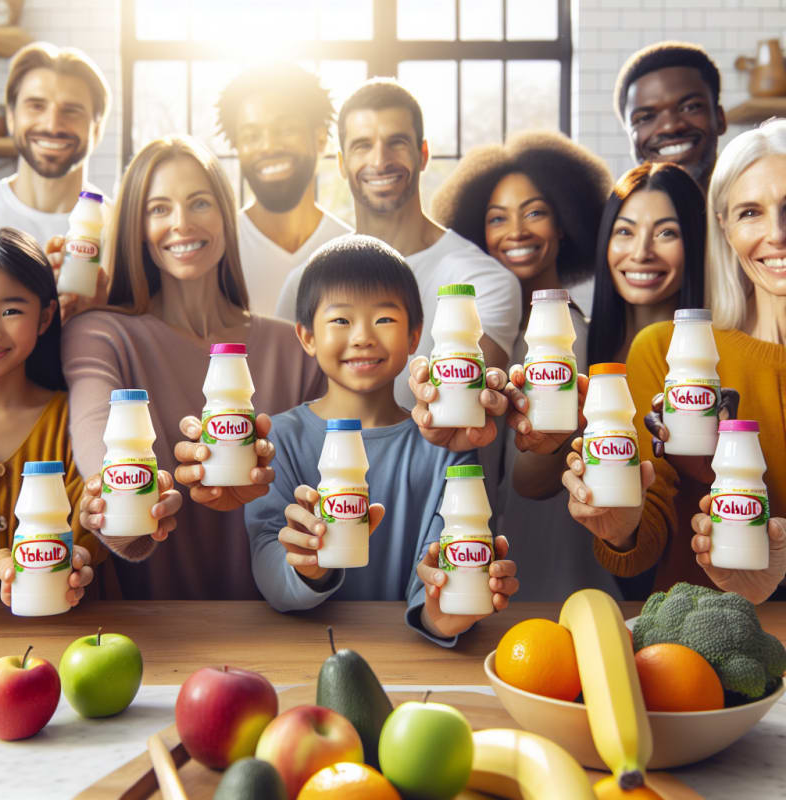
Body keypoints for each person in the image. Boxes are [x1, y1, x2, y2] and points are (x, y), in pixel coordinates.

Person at [65, 135, 325, 600]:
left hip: (288, 616)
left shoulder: (295, 348)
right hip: (156, 637)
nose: (181, 224)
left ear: (226, 215)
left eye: (199, 202)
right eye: (159, 208)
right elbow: (107, 471)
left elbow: (322, 499)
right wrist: (121, 517)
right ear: (136, 228)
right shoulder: (101, 335)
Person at [247, 235, 518, 644]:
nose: (362, 337)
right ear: (306, 337)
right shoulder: (277, 439)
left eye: (384, 320)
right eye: (341, 320)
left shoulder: (446, 450)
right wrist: (305, 568)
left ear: (414, 337)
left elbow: (444, 563)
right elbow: (267, 551)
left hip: (411, 655)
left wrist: (440, 612)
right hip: (298, 651)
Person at [563, 119, 786, 604]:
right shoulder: (664, 349)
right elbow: (644, 538)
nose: (777, 234)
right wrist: (620, 527)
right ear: (723, 225)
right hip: (694, 653)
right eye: (751, 212)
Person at [430, 131, 619, 600]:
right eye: (497, 218)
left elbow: (531, 481)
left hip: (550, 569)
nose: (516, 231)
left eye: (535, 211)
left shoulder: (564, 333)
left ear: (563, 224)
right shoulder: (486, 333)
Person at [275, 78, 521, 412]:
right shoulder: (303, 283)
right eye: (362, 145)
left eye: (397, 142)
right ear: (342, 164)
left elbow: (457, 411)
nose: (380, 160)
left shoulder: (483, 282)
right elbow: (288, 415)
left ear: (423, 154)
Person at [0, 226, 96, 606]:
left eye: (11, 310)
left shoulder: (74, 421)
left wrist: (76, 560)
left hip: (66, 636)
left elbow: (85, 540)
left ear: (46, 317)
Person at [216, 63, 350, 315]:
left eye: (286, 130)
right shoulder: (216, 252)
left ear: (320, 140)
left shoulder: (351, 249)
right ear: (237, 148)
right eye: (251, 136)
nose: (268, 146)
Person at [0, 42, 111, 249]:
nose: (52, 125)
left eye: (71, 110)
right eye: (36, 106)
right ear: (10, 118)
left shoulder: (120, 229)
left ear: (97, 128)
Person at [587, 162, 707, 366]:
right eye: (625, 231)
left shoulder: (720, 351)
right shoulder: (574, 345)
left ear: (696, 242)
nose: (641, 253)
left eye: (666, 233)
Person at [614, 41, 726, 193]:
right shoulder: (611, 214)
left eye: (690, 108)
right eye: (646, 117)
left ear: (720, 118)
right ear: (629, 134)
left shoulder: (758, 207)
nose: (670, 126)